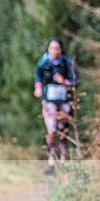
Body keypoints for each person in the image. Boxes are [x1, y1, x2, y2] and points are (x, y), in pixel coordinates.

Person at [34, 37, 78, 174]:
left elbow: (75, 80)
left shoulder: (67, 62)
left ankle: (64, 160)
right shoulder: (43, 62)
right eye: (52, 48)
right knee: (52, 131)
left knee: (63, 131)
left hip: (64, 101)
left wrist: (64, 82)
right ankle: (51, 162)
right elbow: (37, 76)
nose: (54, 51)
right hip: (49, 101)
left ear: (61, 49)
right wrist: (38, 87)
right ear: (48, 49)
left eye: (57, 48)